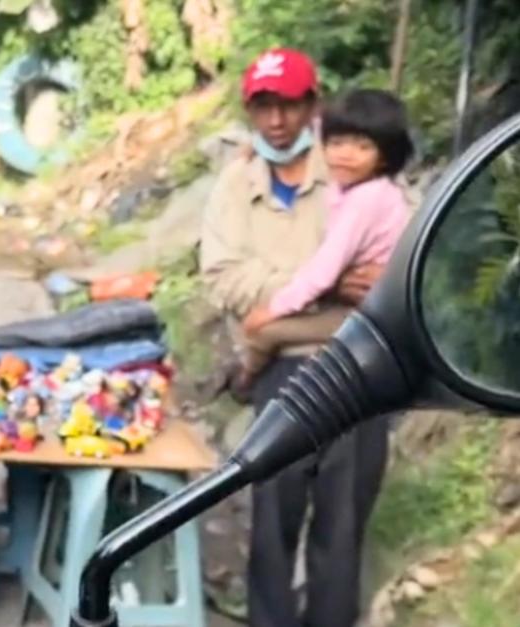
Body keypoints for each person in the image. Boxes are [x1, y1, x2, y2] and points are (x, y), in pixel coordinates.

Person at [199, 49, 391, 627]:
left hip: (356, 365)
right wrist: (322, 284)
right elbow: (223, 279)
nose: (276, 120)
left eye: (288, 104)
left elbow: (382, 265)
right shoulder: (236, 185)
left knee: (341, 523)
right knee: (273, 517)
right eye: (263, 106)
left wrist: (287, 297)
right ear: (250, 111)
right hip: (281, 368)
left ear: (313, 106)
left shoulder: (352, 172)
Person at [237, 89, 415, 387]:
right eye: (336, 144)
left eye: (362, 147)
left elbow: (324, 271)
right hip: (375, 310)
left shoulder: (365, 201)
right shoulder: (367, 188)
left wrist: (274, 308)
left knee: (262, 330)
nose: (344, 154)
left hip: (375, 318)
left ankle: (245, 380)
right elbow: (324, 128)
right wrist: (254, 146)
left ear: (384, 155)